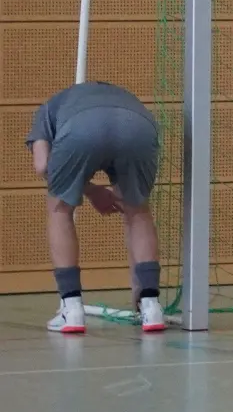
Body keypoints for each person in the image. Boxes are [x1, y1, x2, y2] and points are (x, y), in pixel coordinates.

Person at [27, 81, 165, 333]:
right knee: (138, 211)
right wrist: (95, 190)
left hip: (80, 129)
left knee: (60, 208)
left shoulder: (48, 109)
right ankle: (150, 304)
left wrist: (90, 190)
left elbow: (42, 165)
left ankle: (71, 308)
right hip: (138, 126)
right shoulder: (120, 95)